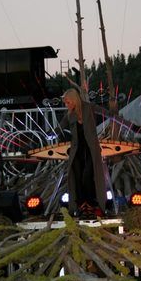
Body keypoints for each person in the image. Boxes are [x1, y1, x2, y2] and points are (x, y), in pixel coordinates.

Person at [58, 88, 106, 217]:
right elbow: (60, 126)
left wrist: (131, 125)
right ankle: (80, 205)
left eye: (68, 102)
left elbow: (109, 115)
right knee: (77, 177)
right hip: (77, 151)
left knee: (88, 176)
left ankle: (91, 203)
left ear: (74, 100)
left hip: (91, 149)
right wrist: (52, 133)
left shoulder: (88, 108)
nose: (66, 105)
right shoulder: (70, 114)